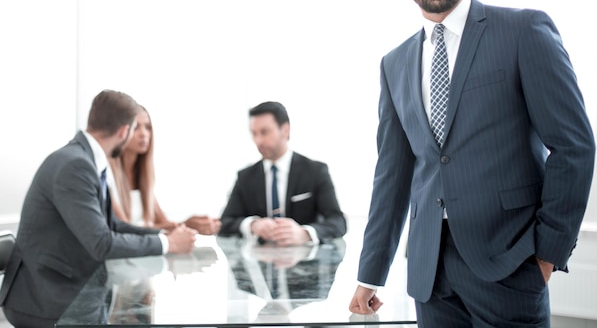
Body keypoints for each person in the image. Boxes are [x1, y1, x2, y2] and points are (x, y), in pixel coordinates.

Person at [348, 0, 595, 328]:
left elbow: (573, 146)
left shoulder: (523, 31)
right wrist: (370, 274)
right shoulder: (395, 64)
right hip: (430, 271)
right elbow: (392, 174)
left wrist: (547, 254)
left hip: (511, 263)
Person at [0, 90, 197, 328]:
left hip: (69, 288)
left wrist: (162, 236)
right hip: (47, 300)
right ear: (124, 131)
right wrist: (169, 245)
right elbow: (101, 243)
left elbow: (112, 225)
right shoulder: (76, 165)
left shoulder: (84, 159)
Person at [219, 101, 347, 245]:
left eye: (264, 132)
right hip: (261, 260)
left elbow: (338, 222)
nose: (258, 140)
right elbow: (224, 223)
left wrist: (305, 233)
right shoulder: (245, 177)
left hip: (305, 262)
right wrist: (252, 225)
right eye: (254, 133)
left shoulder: (315, 171)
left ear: (285, 130)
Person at [108, 105, 221, 235]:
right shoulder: (109, 175)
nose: (144, 134)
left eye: (147, 127)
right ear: (122, 131)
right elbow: (126, 230)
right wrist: (187, 225)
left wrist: (190, 225)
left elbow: (164, 223)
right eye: (136, 127)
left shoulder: (144, 178)